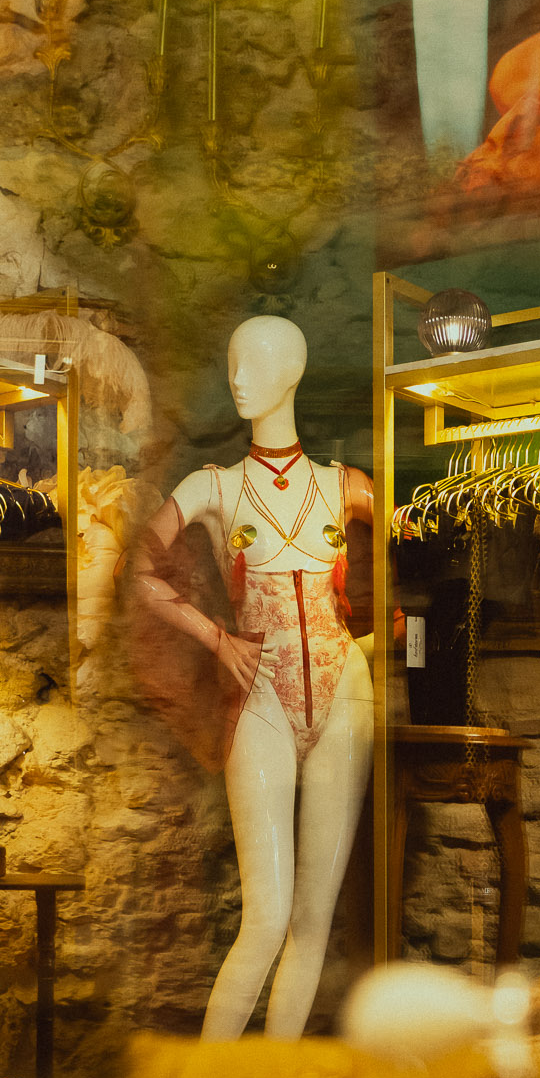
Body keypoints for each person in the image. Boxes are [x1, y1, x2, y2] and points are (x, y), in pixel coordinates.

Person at [132, 316, 373, 1039]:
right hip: (259, 692)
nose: (237, 378)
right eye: (233, 362)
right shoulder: (213, 486)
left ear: (292, 371)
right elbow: (139, 571)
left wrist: (387, 630)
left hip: (346, 689)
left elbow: (411, 557)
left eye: (255, 363)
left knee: (312, 920)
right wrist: (214, 636)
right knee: (265, 919)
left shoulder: (345, 485)